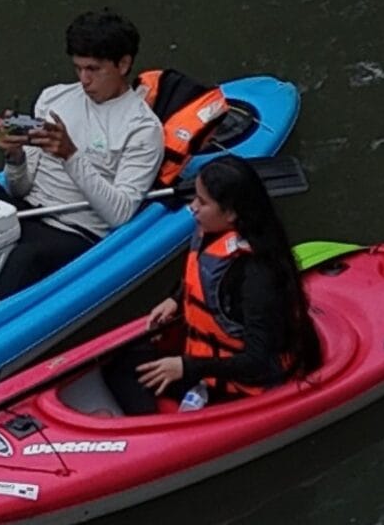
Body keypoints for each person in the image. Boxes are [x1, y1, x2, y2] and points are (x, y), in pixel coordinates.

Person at [0, 9, 164, 305]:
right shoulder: (53, 97)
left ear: (123, 64)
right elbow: (19, 188)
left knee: (28, 255)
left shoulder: (142, 129)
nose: (84, 80)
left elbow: (120, 214)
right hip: (24, 209)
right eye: (78, 68)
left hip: (74, 231)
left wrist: (70, 155)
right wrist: (14, 155)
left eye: (94, 69)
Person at [100, 156, 323, 415]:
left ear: (230, 212)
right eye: (195, 197)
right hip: (207, 367)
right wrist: (176, 298)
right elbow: (202, 278)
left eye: (202, 202)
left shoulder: (257, 276)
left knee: (128, 374)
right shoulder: (213, 231)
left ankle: (154, 437)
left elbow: (259, 361)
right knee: (122, 362)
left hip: (244, 385)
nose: (192, 208)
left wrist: (187, 367)